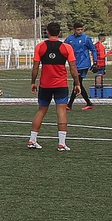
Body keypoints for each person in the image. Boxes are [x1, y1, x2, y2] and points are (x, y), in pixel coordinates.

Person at [28, 21, 79, 151]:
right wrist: (77, 83)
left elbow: (35, 67)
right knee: (61, 112)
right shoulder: (67, 48)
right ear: (59, 33)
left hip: (45, 85)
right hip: (61, 84)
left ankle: (32, 140)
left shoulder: (40, 46)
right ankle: (61, 144)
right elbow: (73, 68)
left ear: (47, 32)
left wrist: (33, 82)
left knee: (41, 111)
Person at [65, 22, 98, 110]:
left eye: (81, 29)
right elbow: (63, 49)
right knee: (78, 83)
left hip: (83, 64)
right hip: (74, 64)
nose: (80, 31)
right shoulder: (69, 39)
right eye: (78, 29)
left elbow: (93, 49)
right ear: (74, 30)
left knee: (77, 83)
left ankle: (69, 105)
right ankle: (88, 103)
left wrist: (95, 62)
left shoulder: (86, 38)